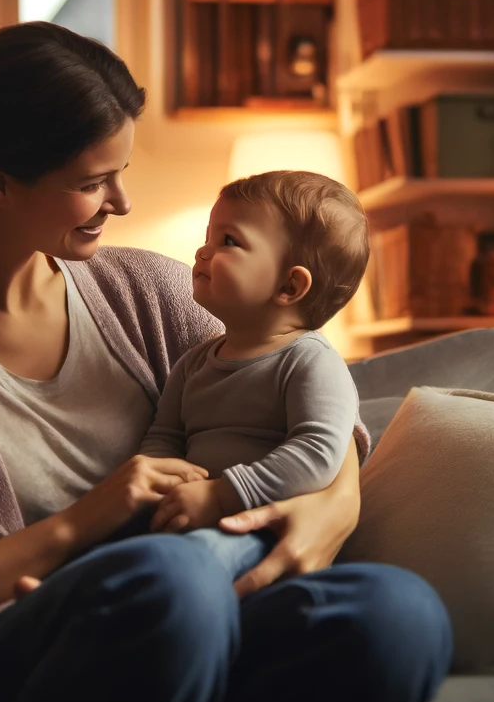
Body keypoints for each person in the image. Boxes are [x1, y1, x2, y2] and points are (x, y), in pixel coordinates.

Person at [0, 21, 451, 702]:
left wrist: (337, 500)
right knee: (172, 586)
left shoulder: (151, 292)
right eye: (91, 183)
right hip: (25, 641)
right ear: (0, 187)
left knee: (400, 613)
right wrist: (82, 523)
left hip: (209, 603)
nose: (120, 200)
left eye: (120, 171)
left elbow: (303, 388)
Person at [139, 170, 369, 584]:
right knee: (125, 550)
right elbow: (165, 435)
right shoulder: (193, 363)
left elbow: (319, 451)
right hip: (189, 520)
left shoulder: (310, 361)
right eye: (209, 237)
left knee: (182, 564)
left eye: (228, 241)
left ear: (290, 285)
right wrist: (160, 485)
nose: (203, 251)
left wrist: (222, 494)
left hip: (262, 530)